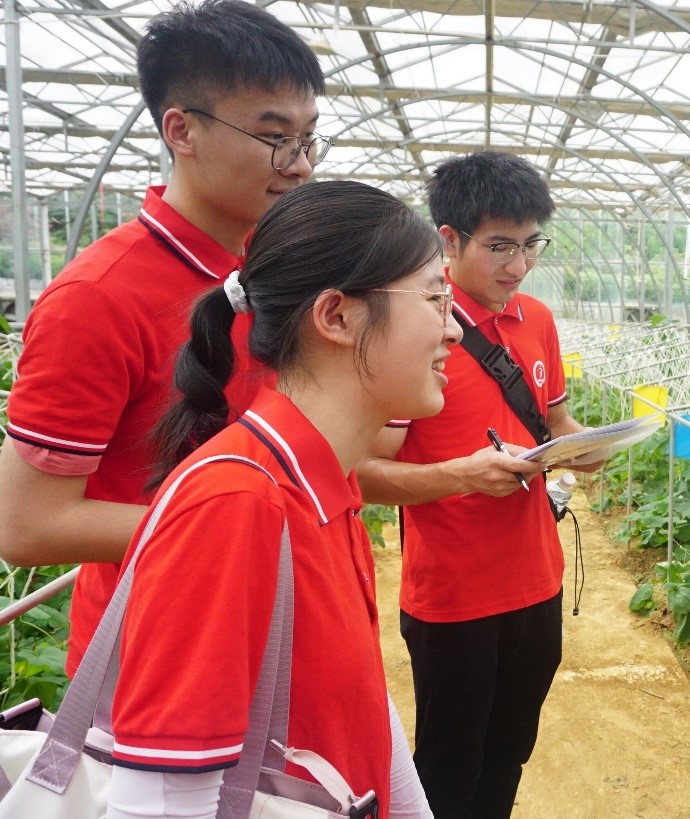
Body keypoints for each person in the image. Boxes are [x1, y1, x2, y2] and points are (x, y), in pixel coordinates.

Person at [105, 180, 455, 818]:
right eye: (435, 297)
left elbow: (364, 711)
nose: (453, 329)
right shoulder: (234, 504)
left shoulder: (323, 481)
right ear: (337, 317)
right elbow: (162, 803)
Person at [0, 0, 325, 678]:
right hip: (156, 660)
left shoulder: (272, 269)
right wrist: (248, 517)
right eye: (275, 136)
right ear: (182, 131)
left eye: (308, 138)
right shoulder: (97, 299)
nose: (299, 165)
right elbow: (27, 525)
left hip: (266, 630)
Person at [358, 151, 591, 818]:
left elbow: (556, 420)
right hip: (454, 596)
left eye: (530, 245)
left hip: (537, 581)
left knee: (508, 752)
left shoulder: (537, 319)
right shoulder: (415, 331)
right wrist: (460, 475)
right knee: (447, 766)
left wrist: (587, 447)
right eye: (499, 246)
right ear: (450, 240)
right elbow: (364, 471)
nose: (518, 265)